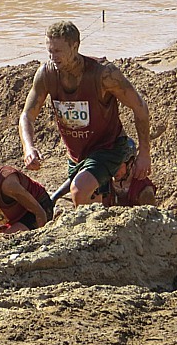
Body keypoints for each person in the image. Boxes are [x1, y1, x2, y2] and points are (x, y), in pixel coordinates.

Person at [19, 21, 151, 206]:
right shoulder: (46, 74)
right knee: (94, 203)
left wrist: (144, 153)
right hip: (76, 155)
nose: (52, 56)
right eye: (49, 51)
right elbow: (27, 115)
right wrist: (28, 147)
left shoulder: (104, 74)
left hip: (108, 147)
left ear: (75, 46)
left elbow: (139, 107)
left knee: (79, 190)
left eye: (58, 51)